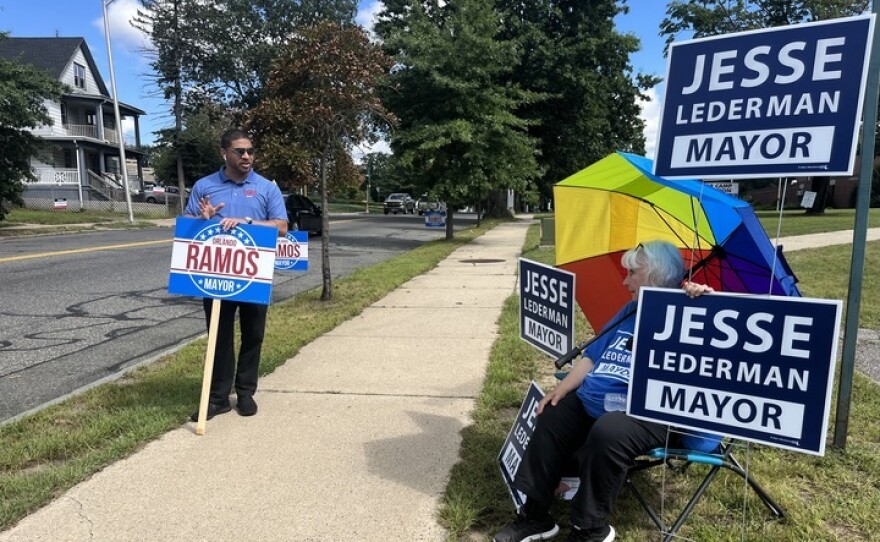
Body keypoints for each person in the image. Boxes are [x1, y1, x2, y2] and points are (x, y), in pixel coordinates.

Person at [494, 240, 718, 542]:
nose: (624, 281)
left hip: (646, 411)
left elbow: (716, 344)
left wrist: (704, 302)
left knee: (609, 431)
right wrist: (560, 389)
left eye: (632, 273)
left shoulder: (690, 311)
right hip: (595, 400)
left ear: (656, 274)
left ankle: (590, 530)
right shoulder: (629, 311)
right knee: (552, 414)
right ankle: (534, 518)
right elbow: (591, 357)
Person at [185, 128, 288, 421]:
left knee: (253, 334)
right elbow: (185, 224)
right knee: (219, 335)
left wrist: (246, 220)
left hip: (253, 273)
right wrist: (201, 220)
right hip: (216, 274)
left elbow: (282, 226)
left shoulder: (267, 187)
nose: (247, 156)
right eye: (240, 151)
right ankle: (217, 398)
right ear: (224, 153)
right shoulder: (204, 186)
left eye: (250, 151)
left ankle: (245, 393)